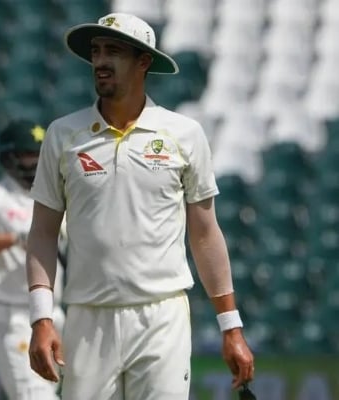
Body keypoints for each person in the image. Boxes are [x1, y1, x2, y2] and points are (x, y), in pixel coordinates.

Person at [24, 13, 255, 400]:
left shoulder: (185, 134)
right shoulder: (63, 134)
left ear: (144, 61)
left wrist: (230, 327)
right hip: (88, 315)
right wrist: (40, 317)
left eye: (113, 51)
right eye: (96, 51)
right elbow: (43, 232)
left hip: (162, 316)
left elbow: (205, 233)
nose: (99, 61)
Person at [0, 120, 66, 400]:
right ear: (10, 158)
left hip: (54, 313)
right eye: (31, 155)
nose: (37, 163)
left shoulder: (57, 195)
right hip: (11, 315)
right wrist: (16, 238)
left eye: (42, 155)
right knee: (35, 395)